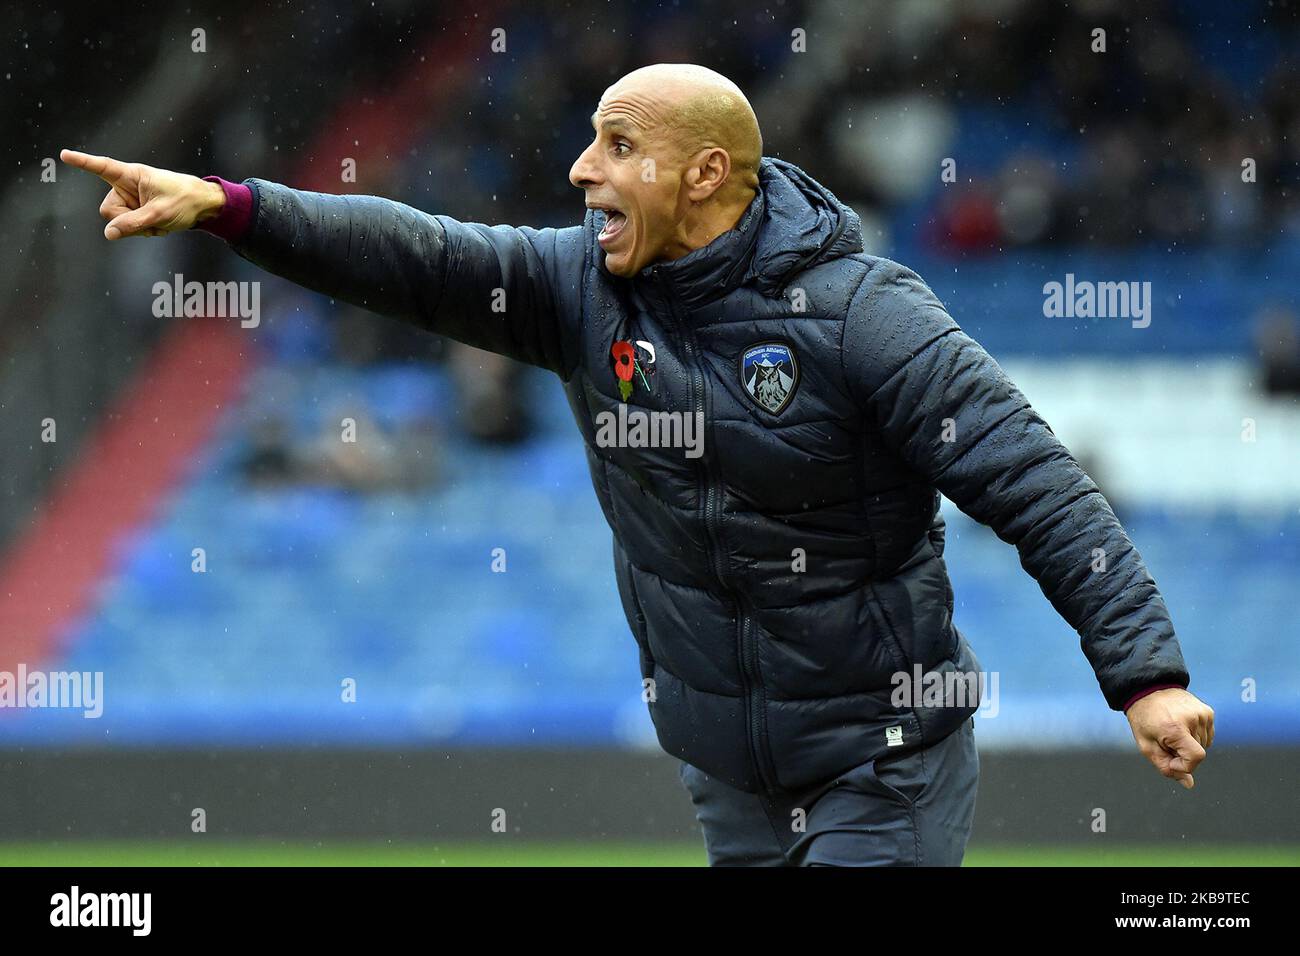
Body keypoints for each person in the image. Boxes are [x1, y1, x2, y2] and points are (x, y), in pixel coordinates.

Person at [61, 63, 1213, 866]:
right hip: (730, 774)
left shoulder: (868, 318)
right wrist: (230, 207)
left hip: (882, 762)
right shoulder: (580, 290)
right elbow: (419, 256)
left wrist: (1144, 672)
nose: (578, 170)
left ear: (705, 174)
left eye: (617, 147)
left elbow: (1035, 481)